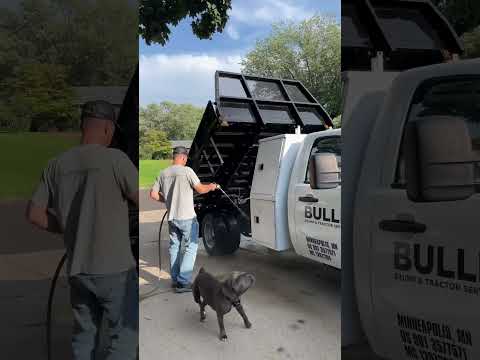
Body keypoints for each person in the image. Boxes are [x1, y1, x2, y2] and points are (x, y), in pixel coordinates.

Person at [26, 100, 139, 360]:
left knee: (84, 336)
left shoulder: (56, 165)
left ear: (83, 126)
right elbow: (140, 200)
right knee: (123, 338)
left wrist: (70, 228)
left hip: (78, 271)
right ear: (108, 129)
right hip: (115, 271)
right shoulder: (116, 160)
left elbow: (33, 215)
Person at [150, 146, 217, 293]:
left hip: (172, 218)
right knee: (190, 247)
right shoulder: (187, 171)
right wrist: (211, 186)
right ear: (183, 158)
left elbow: (153, 195)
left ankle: (175, 280)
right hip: (187, 217)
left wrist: (169, 200)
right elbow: (200, 189)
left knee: (174, 247)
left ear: (174, 157)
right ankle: (183, 282)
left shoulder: (162, 173)